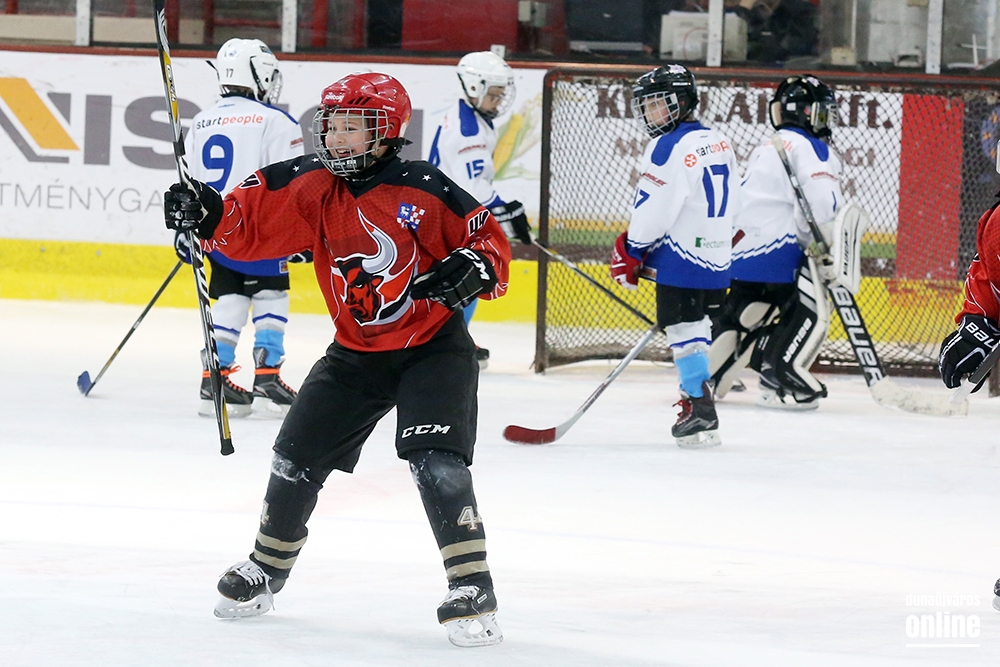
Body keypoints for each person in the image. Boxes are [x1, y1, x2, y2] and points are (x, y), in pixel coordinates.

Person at [164, 72, 511, 648]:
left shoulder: (423, 187)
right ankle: (267, 568)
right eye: (331, 126)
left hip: (432, 349)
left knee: (437, 463)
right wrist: (205, 213)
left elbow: (488, 242)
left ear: (386, 132)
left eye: (353, 127)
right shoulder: (311, 184)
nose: (337, 138)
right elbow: (244, 224)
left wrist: (476, 267)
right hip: (355, 354)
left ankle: (472, 585)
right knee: (293, 458)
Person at [610, 64, 739, 448]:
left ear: (681, 102)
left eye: (656, 103)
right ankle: (697, 401)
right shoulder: (719, 140)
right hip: (717, 258)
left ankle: (700, 409)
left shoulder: (668, 145)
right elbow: (738, 203)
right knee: (695, 327)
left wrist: (633, 248)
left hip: (683, 258)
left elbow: (655, 207)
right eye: (646, 105)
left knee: (683, 330)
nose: (649, 112)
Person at [175, 37, 305, 419]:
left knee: (230, 297)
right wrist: (301, 234)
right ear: (259, 74)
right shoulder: (275, 121)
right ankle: (268, 378)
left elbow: (189, 183)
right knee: (271, 294)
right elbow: (293, 184)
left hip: (214, 231)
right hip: (260, 230)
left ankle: (213, 380)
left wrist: (185, 230)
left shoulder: (201, 120)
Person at [709, 74, 842, 411]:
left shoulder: (768, 145)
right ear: (810, 113)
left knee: (742, 310)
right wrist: (823, 245)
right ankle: (778, 379)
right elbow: (822, 205)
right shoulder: (813, 148)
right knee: (802, 310)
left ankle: (705, 375)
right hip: (779, 252)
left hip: (742, 251)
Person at [428, 51, 532, 368]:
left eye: (501, 94)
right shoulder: (468, 134)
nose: (498, 101)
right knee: (471, 274)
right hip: (449, 217)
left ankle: (453, 338)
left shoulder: (471, 118)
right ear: (474, 88)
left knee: (465, 276)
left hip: (447, 211)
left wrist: (505, 211)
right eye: (493, 94)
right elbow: (474, 191)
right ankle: (449, 343)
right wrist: (506, 211)